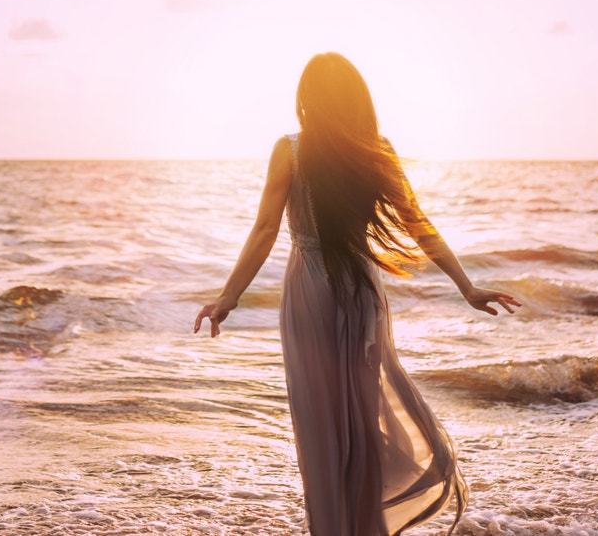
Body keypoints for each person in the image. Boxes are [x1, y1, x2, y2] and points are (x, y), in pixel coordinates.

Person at [194, 52, 521, 535]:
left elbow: (265, 228)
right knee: (364, 414)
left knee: (319, 420)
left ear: (306, 98)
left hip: (310, 290)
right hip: (363, 290)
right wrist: (465, 285)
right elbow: (418, 223)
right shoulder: (375, 147)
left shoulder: (290, 148)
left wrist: (230, 297)